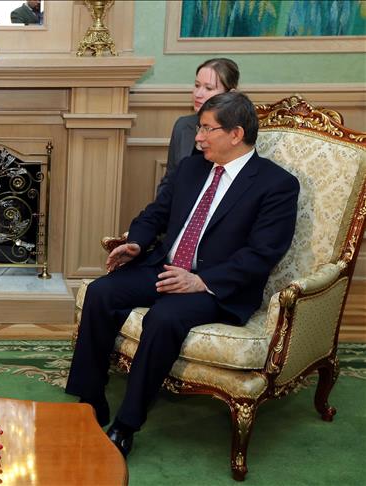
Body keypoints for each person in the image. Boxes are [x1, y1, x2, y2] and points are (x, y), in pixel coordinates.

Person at [65, 91, 299, 458]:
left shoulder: (276, 184)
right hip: (165, 267)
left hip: (217, 287)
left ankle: (126, 424)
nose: (198, 137)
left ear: (235, 134)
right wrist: (137, 243)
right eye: (199, 128)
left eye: (207, 129)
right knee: (100, 292)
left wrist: (202, 281)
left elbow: (263, 253)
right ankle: (91, 399)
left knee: (163, 318)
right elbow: (155, 213)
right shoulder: (192, 168)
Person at [157, 58, 240, 197]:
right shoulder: (183, 126)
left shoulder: (236, 133)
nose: (198, 94)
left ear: (230, 94)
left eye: (208, 88)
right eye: (197, 85)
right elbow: (169, 180)